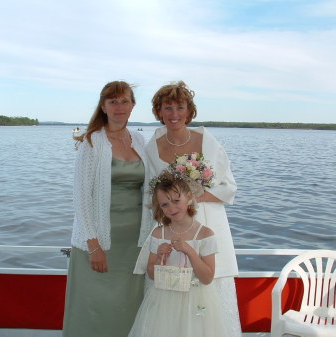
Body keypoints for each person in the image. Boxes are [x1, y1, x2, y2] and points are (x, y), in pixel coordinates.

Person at [135, 81, 241, 336]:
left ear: (189, 110)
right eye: (167, 108)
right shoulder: (152, 147)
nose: (174, 114)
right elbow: (149, 192)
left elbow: (229, 186)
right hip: (171, 227)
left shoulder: (207, 141)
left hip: (206, 221)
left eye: (179, 107)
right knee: (168, 284)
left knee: (208, 288)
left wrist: (199, 196)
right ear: (159, 112)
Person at [63, 81, 148, 337]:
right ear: (103, 106)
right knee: (93, 308)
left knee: (128, 308)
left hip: (134, 241)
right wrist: (94, 245)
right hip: (100, 241)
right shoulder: (92, 142)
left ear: (133, 105)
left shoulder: (141, 140)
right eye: (113, 101)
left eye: (124, 101)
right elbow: (81, 198)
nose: (119, 107)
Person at [128, 171, 231, 337]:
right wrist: (161, 257)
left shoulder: (204, 234)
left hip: (196, 301)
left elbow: (207, 277)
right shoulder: (158, 233)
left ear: (189, 197)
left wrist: (189, 251)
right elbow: (151, 274)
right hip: (164, 300)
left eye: (177, 201)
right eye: (164, 205)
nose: (172, 208)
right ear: (158, 207)